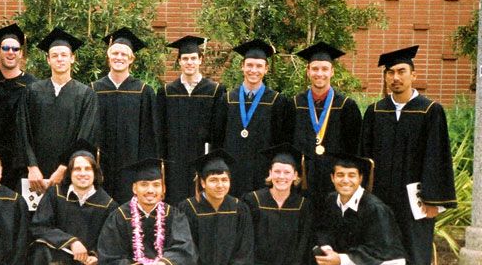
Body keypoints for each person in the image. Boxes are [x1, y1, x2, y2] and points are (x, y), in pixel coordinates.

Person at [360, 46, 456, 265]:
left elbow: (437, 157)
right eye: (390, 72)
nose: (395, 77)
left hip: (416, 196)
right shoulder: (376, 111)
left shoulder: (430, 111)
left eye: (402, 72)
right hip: (382, 195)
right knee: (382, 246)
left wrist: (433, 200)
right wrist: (364, 196)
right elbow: (365, 157)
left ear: (414, 75)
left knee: (416, 248)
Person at [313, 154, 415, 265]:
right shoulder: (331, 200)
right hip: (357, 259)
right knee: (320, 255)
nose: (345, 180)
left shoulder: (374, 208)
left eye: (351, 175)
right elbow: (324, 230)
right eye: (340, 175)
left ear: (360, 178)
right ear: (332, 178)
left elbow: (380, 249)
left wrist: (341, 260)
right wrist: (327, 250)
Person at [26, 139, 117, 265]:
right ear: (69, 172)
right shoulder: (55, 195)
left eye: (87, 169)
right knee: (42, 252)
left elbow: (111, 241)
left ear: (95, 173)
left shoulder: (107, 204)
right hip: (59, 260)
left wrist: (96, 257)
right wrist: (71, 241)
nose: (82, 173)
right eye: (77, 169)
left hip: (86, 264)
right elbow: (39, 227)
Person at [178, 150, 262, 265]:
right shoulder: (188, 208)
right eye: (214, 180)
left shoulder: (239, 208)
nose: (220, 185)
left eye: (224, 180)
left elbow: (245, 248)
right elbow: (185, 250)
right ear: (202, 182)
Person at [19, 27, 99, 195]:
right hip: (36, 176)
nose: (59, 59)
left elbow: (85, 135)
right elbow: (23, 130)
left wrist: (64, 168)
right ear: (48, 60)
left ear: (72, 58)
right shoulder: (32, 91)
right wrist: (32, 166)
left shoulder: (85, 94)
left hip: (71, 173)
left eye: (64, 55)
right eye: (54, 56)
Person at [242, 144, 312, 265]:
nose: (282, 177)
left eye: (287, 172)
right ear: (270, 173)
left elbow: (304, 242)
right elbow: (246, 240)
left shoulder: (302, 204)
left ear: (296, 176)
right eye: (277, 171)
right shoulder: (253, 200)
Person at [212, 39, 294, 196]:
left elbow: (282, 142)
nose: (253, 70)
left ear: (266, 69)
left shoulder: (277, 101)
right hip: (232, 172)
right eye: (249, 65)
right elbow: (217, 140)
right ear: (242, 66)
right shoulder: (227, 99)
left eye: (259, 66)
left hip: (262, 174)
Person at [290, 42, 362, 212]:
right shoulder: (295, 104)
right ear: (308, 72)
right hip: (303, 180)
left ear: (332, 71)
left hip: (334, 181)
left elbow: (354, 148)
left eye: (324, 69)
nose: (319, 74)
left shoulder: (346, 106)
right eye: (315, 69)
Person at [155, 35, 226, 204]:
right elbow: (160, 131)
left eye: (193, 58)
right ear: (179, 61)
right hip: (174, 160)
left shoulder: (215, 91)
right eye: (185, 58)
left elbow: (218, 132)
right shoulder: (166, 92)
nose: (189, 62)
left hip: (201, 156)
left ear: (201, 60)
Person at [91, 27, 157, 204]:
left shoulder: (143, 91)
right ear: (108, 57)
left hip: (131, 167)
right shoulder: (93, 90)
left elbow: (149, 137)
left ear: (131, 59)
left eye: (123, 54)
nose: (119, 57)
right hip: (100, 165)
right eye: (115, 53)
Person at [0, 23, 37, 191]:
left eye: (15, 49)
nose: (10, 52)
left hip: (21, 162)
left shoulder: (33, 86)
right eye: (6, 48)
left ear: (21, 53)